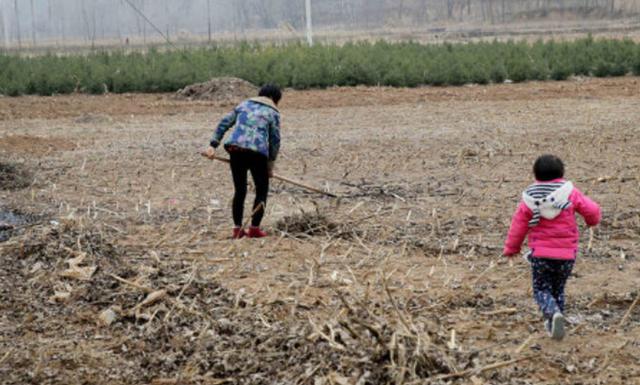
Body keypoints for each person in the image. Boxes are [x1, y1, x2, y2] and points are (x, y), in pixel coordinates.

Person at [503, 154, 601, 340]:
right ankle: (555, 321)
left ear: (535, 174)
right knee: (558, 289)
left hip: (541, 255)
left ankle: (552, 314)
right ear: (561, 173)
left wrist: (512, 248)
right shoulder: (569, 192)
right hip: (566, 255)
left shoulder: (529, 198)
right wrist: (591, 221)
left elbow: (518, 225)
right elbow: (592, 210)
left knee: (541, 289)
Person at [203, 85, 282, 239]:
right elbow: (275, 141)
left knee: (240, 190)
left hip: (235, 150)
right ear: (274, 98)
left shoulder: (244, 105)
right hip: (257, 153)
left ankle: (237, 229)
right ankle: (254, 229)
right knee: (261, 190)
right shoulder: (272, 112)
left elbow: (224, 123)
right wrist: (270, 166)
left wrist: (213, 145)